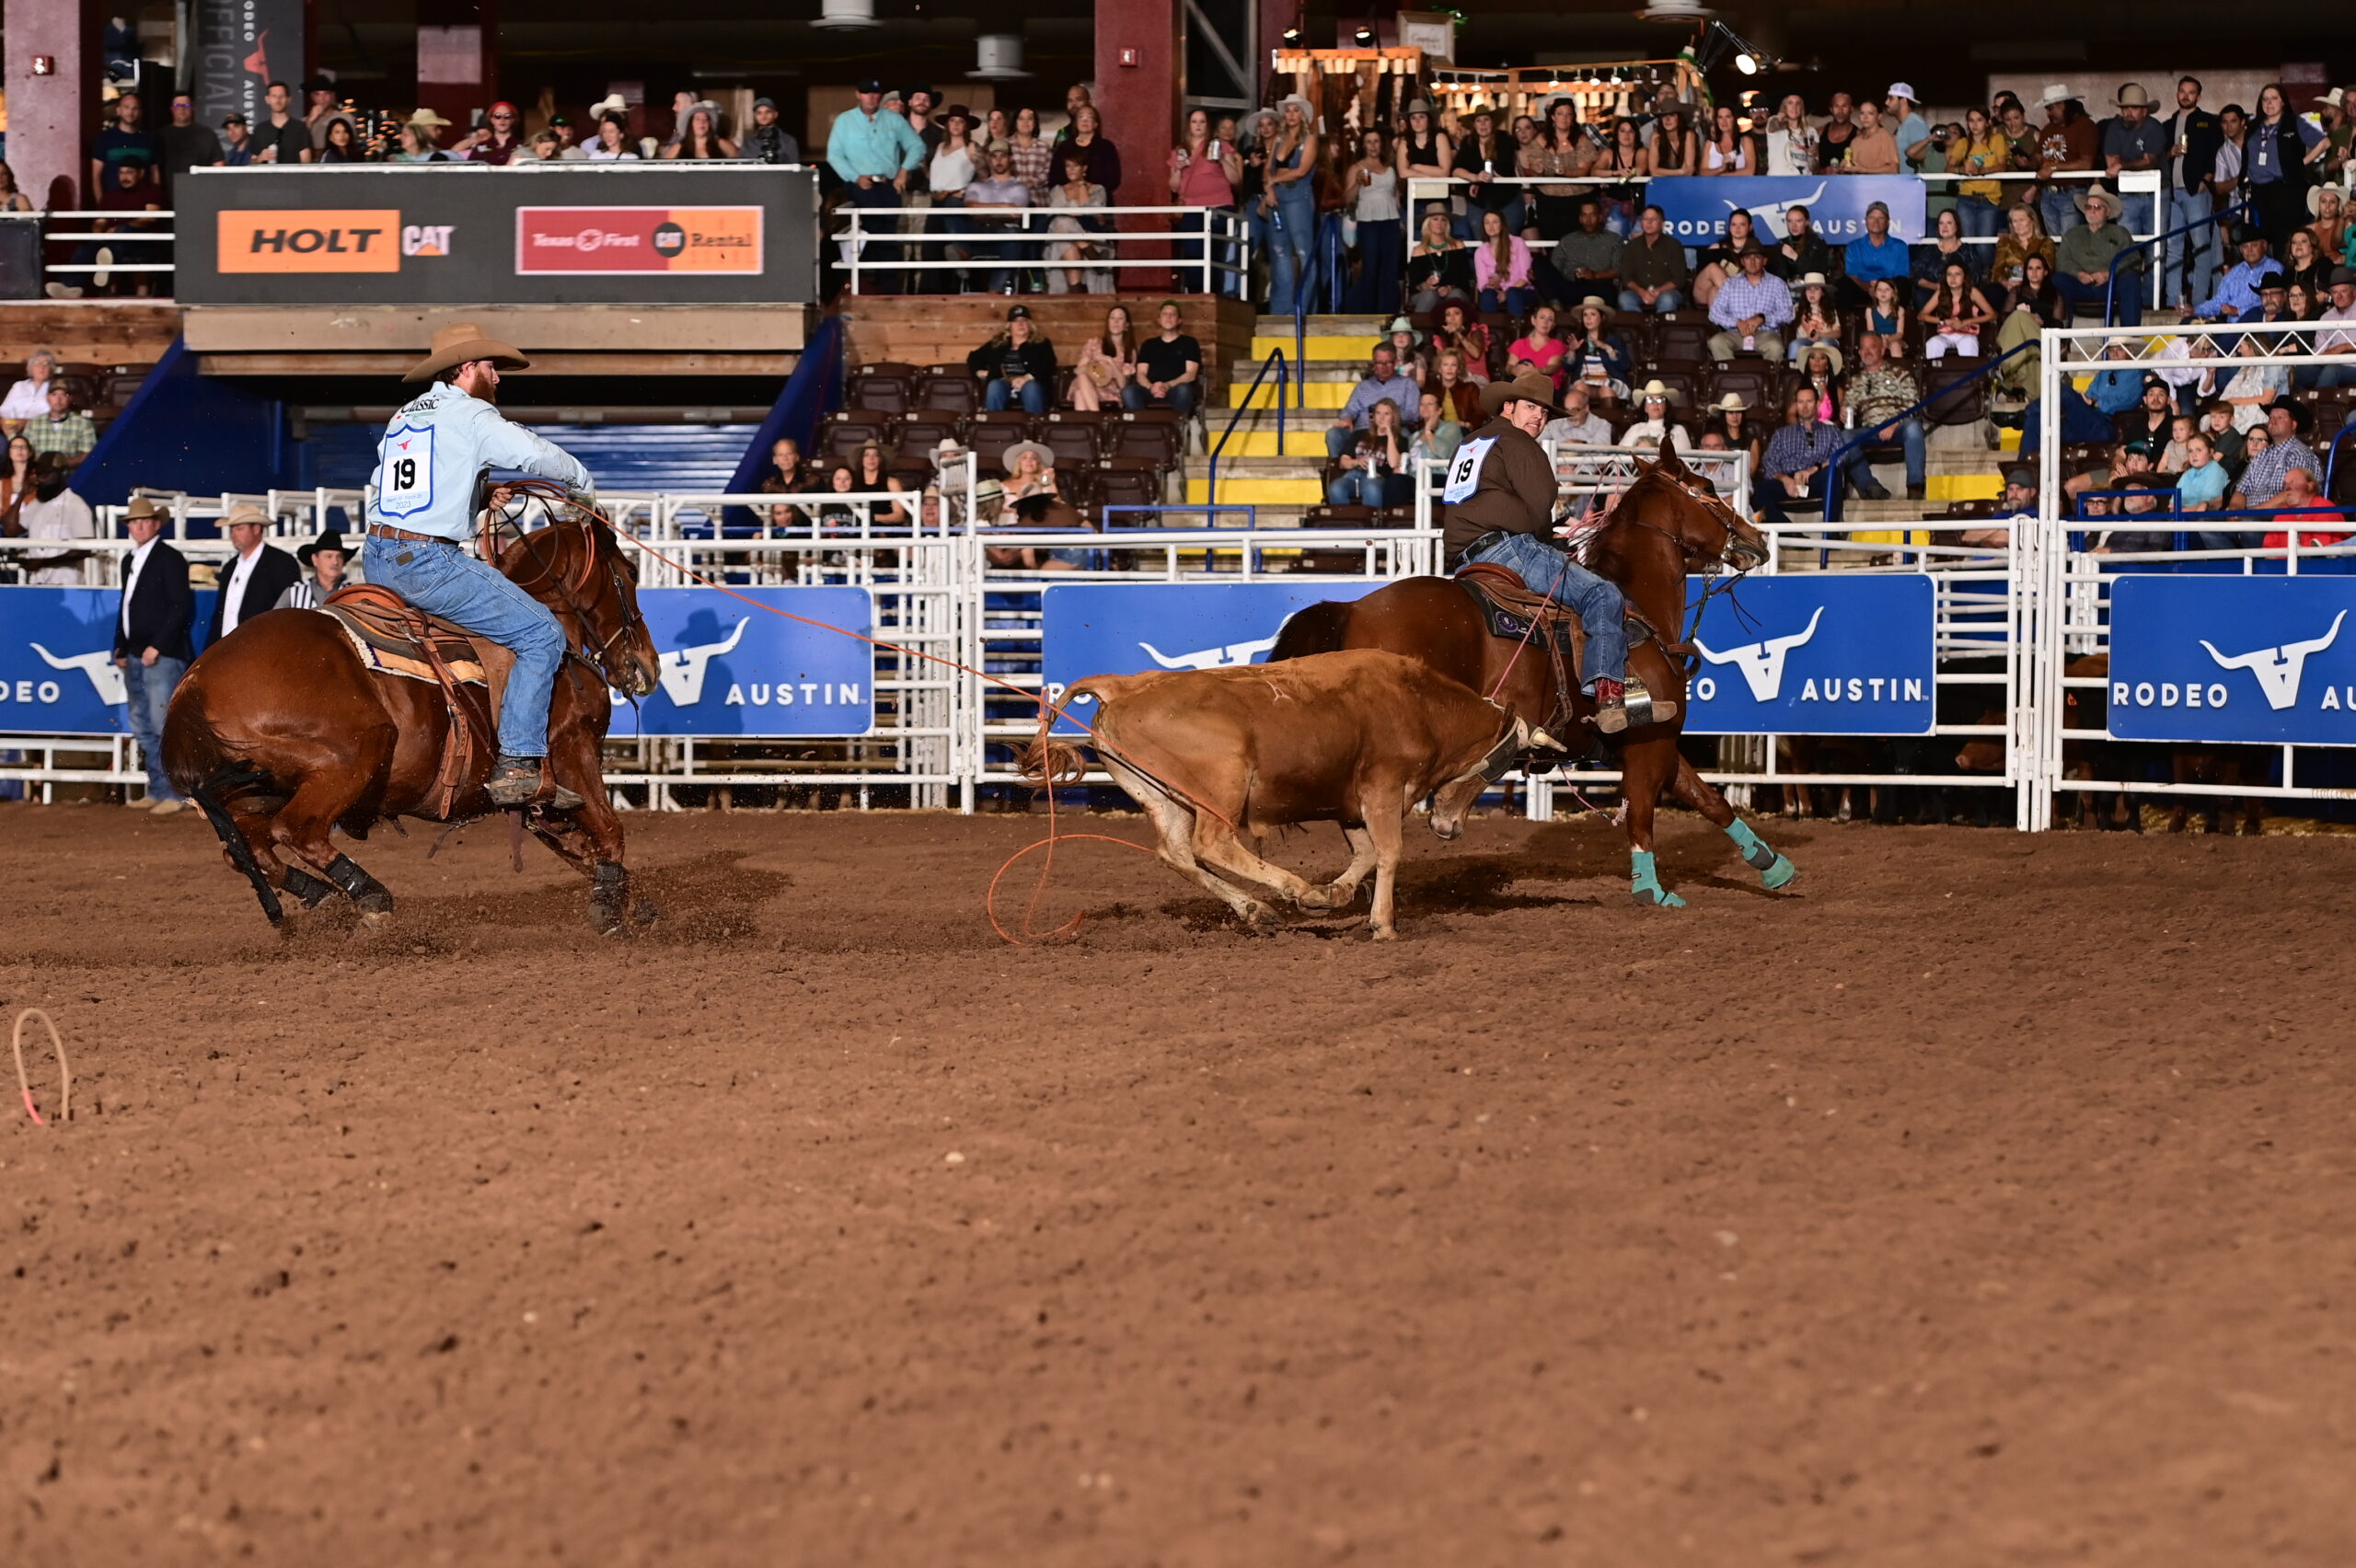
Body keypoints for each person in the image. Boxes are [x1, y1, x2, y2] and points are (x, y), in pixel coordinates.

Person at [360, 322, 599, 807]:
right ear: (468, 369)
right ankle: (518, 762)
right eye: (491, 366)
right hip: (427, 562)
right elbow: (536, 455)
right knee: (542, 635)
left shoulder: (404, 417)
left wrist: (479, 494)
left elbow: (405, 487)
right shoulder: (472, 416)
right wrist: (582, 485)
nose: (498, 377)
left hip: (378, 559)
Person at [1442, 370, 1659, 732]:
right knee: (1602, 593)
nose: (1539, 418)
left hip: (1464, 557)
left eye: (1544, 412)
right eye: (1531, 407)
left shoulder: (1470, 443)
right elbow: (1540, 505)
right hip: (1507, 549)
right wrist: (1547, 537)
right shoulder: (1520, 444)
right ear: (1508, 406)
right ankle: (1608, 694)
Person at [110, 496, 193, 813]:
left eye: (144, 521)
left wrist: (157, 644)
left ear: (155, 524)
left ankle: (173, 792)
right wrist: (120, 644)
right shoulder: (130, 560)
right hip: (137, 651)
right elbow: (126, 605)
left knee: (160, 724)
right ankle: (159, 788)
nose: (139, 526)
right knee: (143, 724)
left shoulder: (169, 558)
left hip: (160, 653)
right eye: (134, 521)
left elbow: (179, 606)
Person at [829, 78, 928, 295]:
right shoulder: (845, 121)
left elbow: (916, 146)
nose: (871, 97)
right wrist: (855, 177)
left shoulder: (894, 120)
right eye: (866, 93)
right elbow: (834, 155)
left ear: (881, 96)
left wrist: (904, 171)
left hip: (888, 184)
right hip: (860, 185)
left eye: (875, 93)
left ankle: (884, 287)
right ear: (858, 95)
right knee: (872, 230)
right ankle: (864, 282)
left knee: (888, 235)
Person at [2161, 78, 2224, 311]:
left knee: (2201, 245)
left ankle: (2199, 301)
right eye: (2183, 92)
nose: (2186, 96)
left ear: (2199, 96)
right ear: (2177, 94)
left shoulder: (2208, 122)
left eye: (2191, 92)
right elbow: (2159, 156)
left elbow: (2215, 154)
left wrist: (2206, 180)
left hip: (2196, 190)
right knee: (2173, 245)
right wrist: (2170, 151)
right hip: (2172, 191)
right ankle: (2172, 300)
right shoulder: (2167, 125)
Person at [206, 502, 302, 645]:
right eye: (232, 529)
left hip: (264, 648)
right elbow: (221, 613)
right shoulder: (230, 567)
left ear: (257, 529)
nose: (233, 534)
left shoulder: (280, 563)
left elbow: (289, 611)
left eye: (239, 529)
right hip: (227, 649)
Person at [1845, 333, 1926, 500]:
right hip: (1870, 430)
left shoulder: (1899, 374)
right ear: (1859, 353)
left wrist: (1894, 423)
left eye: (1872, 347)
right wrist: (1844, 411)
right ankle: (1870, 486)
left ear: (1882, 350)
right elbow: (1849, 407)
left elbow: (1913, 403)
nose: (1867, 351)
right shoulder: (1855, 381)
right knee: (1844, 437)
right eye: (1863, 348)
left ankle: (1915, 485)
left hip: (1898, 427)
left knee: (1913, 427)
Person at [1171, 108, 1242, 295]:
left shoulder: (1218, 145)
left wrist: (1222, 161)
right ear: (1188, 125)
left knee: (1214, 254)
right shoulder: (1180, 150)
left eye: (1202, 122)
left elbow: (1235, 179)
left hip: (1219, 205)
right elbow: (1173, 186)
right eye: (1194, 121)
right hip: (1191, 208)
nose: (1198, 126)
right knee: (1193, 252)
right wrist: (1178, 169)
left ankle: (1214, 296)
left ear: (1208, 125)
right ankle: (1196, 293)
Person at [2247, 84, 2326, 256]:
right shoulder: (2254, 126)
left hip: (2285, 190)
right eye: (2265, 99)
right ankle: (2266, 280)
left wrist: (2302, 162)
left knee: (2283, 241)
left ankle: (2286, 279)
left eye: (2274, 98)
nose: (2269, 103)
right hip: (2258, 191)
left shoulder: (2293, 122)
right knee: (2260, 240)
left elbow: (2324, 143)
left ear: (2283, 102)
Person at [1259, 96, 1319, 315]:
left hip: (1298, 196)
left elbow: (1302, 170)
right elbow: (1268, 168)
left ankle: (1305, 307)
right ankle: (1281, 308)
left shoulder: (1309, 139)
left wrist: (1274, 180)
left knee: (1304, 251)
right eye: (1288, 110)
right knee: (1279, 252)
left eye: (1295, 110)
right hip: (1277, 197)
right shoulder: (1278, 140)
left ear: (1302, 114)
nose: (1291, 114)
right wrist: (1269, 188)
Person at [1754, 386, 1851, 520]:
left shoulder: (1831, 431)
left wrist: (1815, 468)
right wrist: (1785, 479)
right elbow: (1769, 461)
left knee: (1833, 475)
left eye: (1809, 401)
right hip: (1789, 481)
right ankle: (1795, 537)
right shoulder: (1782, 434)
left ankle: (1830, 533)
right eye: (1800, 402)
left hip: (1816, 479)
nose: (1804, 406)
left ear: (1817, 404)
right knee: (1759, 490)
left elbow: (1842, 455)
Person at [2055, 188, 2144, 326]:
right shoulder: (2071, 235)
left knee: (2131, 280)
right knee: (2058, 280)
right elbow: (2062, 260)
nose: (2092, 210)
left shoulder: (2120, 233)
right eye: (2088, 207)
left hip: (2110, 284)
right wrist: (2078, 274)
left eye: (2097, 207)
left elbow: (2133, 260)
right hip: (2080, 285)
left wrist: (2109, 274)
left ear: (2107, 212)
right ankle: (2061, 339)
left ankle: (2128, 340)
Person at [959, 143, 1032, 296]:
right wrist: (1004, 206)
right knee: (952, 209)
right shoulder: (977, 186)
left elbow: (1016, 212)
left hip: (1004, 236)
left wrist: (984, 209)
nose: (998, 160)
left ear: (1010, 158)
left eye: (1002, 156)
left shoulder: (1019, 187)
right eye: (994, 156)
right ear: (989, 159)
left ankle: (993, 291)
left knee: (1014, 235)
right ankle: (961, 251)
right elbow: (970, 208)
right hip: (978, 233)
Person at [1344, 129, 1404, 313]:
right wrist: (1357, 183)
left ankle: (1389, 312)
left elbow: (1395, 195)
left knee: (1391, 270)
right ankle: (1367, 311)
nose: (1373, 145)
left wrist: (1400, 218)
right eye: (1369, 142)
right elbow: (1347, 198)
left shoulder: (1390, 167)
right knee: (1370, 268)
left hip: (1391, 220)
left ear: (1381, 144)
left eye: (1376, 141)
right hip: (1368, 221)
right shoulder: (1356, 168)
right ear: (1363, 145)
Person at [7, 458, 95, 584]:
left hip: (68, 584)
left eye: (45, 474)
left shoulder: (76, 504)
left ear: (62, 474)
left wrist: (43, 562)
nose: (39, 478)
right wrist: (22, 494)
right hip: (37, 582)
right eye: (38, 474)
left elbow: (84, 549)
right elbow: (11, 530)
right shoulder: (35, 505)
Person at [1326, 343, 1420, 458]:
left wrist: (1389, 417)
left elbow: (1413, 414)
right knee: (1334, 434)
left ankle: (1398, 472)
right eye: (1379, 363)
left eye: (1388, 362)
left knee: (1406, 437)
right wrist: (1347, 418)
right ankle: (1339, 467)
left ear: (1395, 362)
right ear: (1374, 364)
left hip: (1394, 431)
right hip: (1363, 431)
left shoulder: (1407, 384)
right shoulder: (1364, 387)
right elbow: (1350, 409)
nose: (1384, 367)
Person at [2031, 86, 2098, 238]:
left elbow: (2086, 164)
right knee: (2055, 243)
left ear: (2062, 105)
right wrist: (2029, 161)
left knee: (2070, 242)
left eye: (2050, 108)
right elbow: (2037, 157)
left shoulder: (2085, 126)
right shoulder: (2048, 129)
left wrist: (2054, 167)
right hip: (2048, 193)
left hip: (2072, 192)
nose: (2048, 113)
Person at [1043, 149, 1112, 295]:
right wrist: (1077, 213)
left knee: (1065, 229)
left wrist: (1081, 185)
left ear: (1084, 168)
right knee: (1063, 226)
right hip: (1063, 237)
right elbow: (1055, 212)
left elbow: (1090, 211)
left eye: (1075, 166)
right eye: (1068, 166)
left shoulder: (1098, 189)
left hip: (1091, 235)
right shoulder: (1058, 190)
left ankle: (1076, 291)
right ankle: (1088, 251)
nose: (1071, 169)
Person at [2230, 398, 2320, 509]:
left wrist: (2254, 512)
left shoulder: (2300, 454)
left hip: (2281, 517)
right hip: (2251, 517)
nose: (2272, 421)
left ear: (2293, 425)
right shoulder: (2262, 455)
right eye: (2271, 417)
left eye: (2280, 417)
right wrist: (2234, 510)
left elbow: (2292, 494)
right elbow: (2241, 490)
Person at [1706, 248, 1793, 363]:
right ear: (1742, 262)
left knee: (1775, 347)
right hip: (1735, 333)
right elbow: (1715, 313)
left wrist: (1763, 319)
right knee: (1716, 342)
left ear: (1764, 261)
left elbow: (1788, 314)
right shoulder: (1730, 284)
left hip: (1766, 334)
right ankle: (1730, 378)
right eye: (1748, 258)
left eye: (1757, 257)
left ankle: (1768, 380)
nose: (1752, 262)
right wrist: (1736, 322)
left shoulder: (1777, 284)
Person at [966, 304, 1057, 414]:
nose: (1020, 324)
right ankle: (993, 426)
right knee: (995, 386)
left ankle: (1035, 427)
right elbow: (974, 357)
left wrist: (1027, 378)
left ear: (1030, 324)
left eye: (1024, 320)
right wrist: (980, 371)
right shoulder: (998, 344)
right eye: (1016, 321)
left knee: (1031, 388)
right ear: (1009, 325)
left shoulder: (1042, 343)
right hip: (1005, 383)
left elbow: (1049, 364)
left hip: (1030, 384)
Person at [1328, 398, 1412, 508]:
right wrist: (1358, 461)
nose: (1381, 417)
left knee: (1372, 488)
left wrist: (1390, 435)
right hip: (1353, 475)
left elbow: (1393, 464)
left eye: (1386, 414)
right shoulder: (1359, 434)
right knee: (1336, 488)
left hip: (1377, 477)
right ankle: (1347, 522)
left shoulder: (1401, 440)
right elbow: (1343, 462)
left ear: (1393, 418)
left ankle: (1373, 523)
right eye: (1378, 413)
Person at [1545, 197, 1624, 308]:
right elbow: (1554, 268)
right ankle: (1555, 304)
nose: (1588, 220)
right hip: (1572, 287)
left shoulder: (1614, 240)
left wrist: (1595, 275)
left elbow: (1619, 270)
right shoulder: (1568, 240)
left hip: (1599, 286)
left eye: (1592, 215)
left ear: (1600, 217)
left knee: (1607, 290)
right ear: (1580, 218)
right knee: (1539, 262)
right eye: (1584, 215)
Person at [1949, 107, 2014, 240]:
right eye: (1971, 120)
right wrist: (1961, 170)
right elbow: (1948, 168)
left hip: (1989, 199)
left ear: (1987, 122)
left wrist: (1983, 170)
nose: (1975, 124)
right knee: (1967, 242)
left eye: (1979, 120)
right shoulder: (1962, 143)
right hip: (1966, 198)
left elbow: (2003, 166)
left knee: (1985, 246)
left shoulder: (1997, 139)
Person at [2192, 227, 2283, 321]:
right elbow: (2218, 301)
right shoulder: (2234, 272)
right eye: (2245, 246)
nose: (2249, 250)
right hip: (2232, 328)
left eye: (2254, 245)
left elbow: (2273, 302)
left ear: (2264, 245)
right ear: (2240, 249)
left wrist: (2239, 311)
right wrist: (2194, 311)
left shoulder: (2274, 268)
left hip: (2258, 327)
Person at [1127, 300, 1201, 416]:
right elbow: (1141, 373)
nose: (1169, 317)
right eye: (1165, 314)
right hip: (1150, 390)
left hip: (1175, 390)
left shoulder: (1189, 343)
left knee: (1184, 390)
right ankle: (1143, 426)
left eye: (1173, 314)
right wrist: (1151, 387)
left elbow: (1191, 374)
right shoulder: (1149, 344)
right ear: (1159, 320)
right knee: (1128, 391)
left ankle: (1176, 429)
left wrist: (1168, 385)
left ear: (1179, 320)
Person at [1839, 201, 1911, 311]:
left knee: (1904, 284)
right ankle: (1846, 324)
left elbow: (1901, 275)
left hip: (1890, 290)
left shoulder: (1900, 246)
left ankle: (1897, 321)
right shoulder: (1854, 246)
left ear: (1887, 222)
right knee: (1844, 284)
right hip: (1864, 289)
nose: (1876, 221)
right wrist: (1869, 288)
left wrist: (1881, 289)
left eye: (1881, 218)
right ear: (1866, 221)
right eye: (1872, 217)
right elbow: (1852, 274)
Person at [1617, 204, 1689, 314]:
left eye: (1653, 219)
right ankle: (1639, 329)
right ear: (1641, 222)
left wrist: (1658, 291)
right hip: (1638, 292)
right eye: (1645, 219)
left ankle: (1662, 330)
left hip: (1666, 292)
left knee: (1667, 300)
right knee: (1624, 299)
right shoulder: (1632, 246)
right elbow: (1626, 277)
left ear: (1662, 224)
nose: (1649, 223)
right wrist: (1641, 292)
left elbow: (1679, 279)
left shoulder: (1674, 245)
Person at [90, 89, 159, 202]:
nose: (130, 112)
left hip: (143, 206)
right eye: (126, 107)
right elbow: (96, 175)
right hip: (113, 206)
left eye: (135, 108)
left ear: (140, 112)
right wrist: (101, 207)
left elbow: (155, 172)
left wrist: (156, 202)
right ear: (118, 110)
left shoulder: (150, 140)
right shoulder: (105, 139)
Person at [1923, 260, 1995, 360]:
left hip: (1967, 333)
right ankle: (1934, 374)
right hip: (1945, 334)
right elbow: (1922, 315)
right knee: (1933, 343)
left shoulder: (1973, 292)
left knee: (1968, 342)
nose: (1953, 278)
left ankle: (1970, 375)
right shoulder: (1941, 293)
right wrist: (1944, 321)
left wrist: (1966, 322)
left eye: (1957, 274)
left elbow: (1992, 315)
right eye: (1949, 274)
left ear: (1964, 278)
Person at [1562, 298, 1633, 402]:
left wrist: (1607, 348)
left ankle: (1610, 417)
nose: (1588, 318)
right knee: (1579, 389)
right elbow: (1568, 368)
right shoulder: (1578, 339)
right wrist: (1572, 351)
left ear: (1602, 317)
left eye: (1593, 314)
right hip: (1586, 380)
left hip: (1609, 381)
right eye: (1585, 315)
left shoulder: (1613, 339)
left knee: (1606, 390)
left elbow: (1625, 366)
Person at [1072, 305, 1137, 414]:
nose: (1115, 322)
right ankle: (1097, 418)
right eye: (1112, 318)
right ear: (1108, 322)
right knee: (1082, 378)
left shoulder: (1130, 351)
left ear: (1126, 325)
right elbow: (1078, 370)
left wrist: (1110, 361)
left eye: (1120, 318)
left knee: (1080, 394)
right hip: (1090, 383)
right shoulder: (1095, 343)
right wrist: (1093, 366)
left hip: (1110, 391)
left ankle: (1092, 425)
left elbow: (1123, 385)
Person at [1472, 209, 1536, 316]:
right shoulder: (1480, 252)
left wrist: (1506, 293)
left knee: (1513, 294)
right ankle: (1490, 330)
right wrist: (1493, 285)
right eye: (1487, 222)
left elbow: (1525, 276)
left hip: (1521, 290)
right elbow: (1482, 283)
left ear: (1502, 225)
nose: (1490, 226)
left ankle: (1516, 330)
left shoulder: (1518, 243)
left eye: (1495, 222)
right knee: (1488, 294)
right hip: (1496, 292)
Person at [277, 527, 355, 609]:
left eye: (339, 556)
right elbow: (274, 621)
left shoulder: (353, 593)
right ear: (315, 559)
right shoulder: (293, 592)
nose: (335, 562)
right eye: (329, 556)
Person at [157, 93, 223, 190]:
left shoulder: (206, 134)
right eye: (177, 105)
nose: (182, 109)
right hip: (168, 192)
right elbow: (154, 169)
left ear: (193, 108)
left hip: (201, 192)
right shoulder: (160, 136)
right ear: (172, 109)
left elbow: (218, 165)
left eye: (186, 105)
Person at [23, 383, 97, 467]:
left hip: (69, 474)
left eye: (63, 395)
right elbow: (25, 449)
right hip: (39, 473)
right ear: (47, 398)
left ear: (70, 399)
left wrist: (65, 462)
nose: (58, 400)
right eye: (54, 395)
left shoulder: (83, 423)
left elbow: (89, 453)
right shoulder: (34, 422)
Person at [1990, 201, 2055, 294]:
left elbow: (2048, 268)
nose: (2018, 224)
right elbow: (1997, 270)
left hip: (2037, 285)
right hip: (2010, 285)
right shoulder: (2005, 242)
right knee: (1993, 291)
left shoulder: (2046, 242)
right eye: (2014, 221)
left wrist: (2024, 282)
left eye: (2022, 220)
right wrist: (2006, 283)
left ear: (2032, 221)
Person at [1507, 305, 1569, 395]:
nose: (1545, 322)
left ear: (1553, 324)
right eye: (1542, 317)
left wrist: (1536, 371)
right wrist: (1517, 371)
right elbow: (1509, 366)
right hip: (1521, 385)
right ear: (1533, 320)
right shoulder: (1520, 343)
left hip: (1547, 389)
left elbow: (1553, 367)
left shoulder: (1557, 345)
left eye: (1550, 319)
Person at [1620, 380, 1692, 454]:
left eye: (1660, 400)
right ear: (1645, 407)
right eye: (1650, 400)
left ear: (1666, 405)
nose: (1655, 404)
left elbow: (1684, 461)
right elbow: (1620, 457)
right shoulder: (1636, 429)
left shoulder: (1678, 431)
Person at [2, 349, 61, 436]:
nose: (42, 367)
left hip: (38, 431)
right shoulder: (19, 386)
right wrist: (3, 424)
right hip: (11, 428)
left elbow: (54, 416)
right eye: (37, 363)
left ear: (51, 369)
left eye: (46, 364)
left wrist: (25, 422)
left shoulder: (55, 388)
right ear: (31, 367)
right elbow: (3, 410)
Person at [1540, 384, 1612, 448]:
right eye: (1567, 410)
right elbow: (1536, 442)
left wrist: (1580, 445)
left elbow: (1602, 453)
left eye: (1575, 410)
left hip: (1589, 463)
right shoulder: (1555, 424)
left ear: (1586, 408)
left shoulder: (1602, 425)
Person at [1763, 94, 1818, 178]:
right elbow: (1773, 126)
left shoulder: (1811, 131)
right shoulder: (1775, 124)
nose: (1794, 106)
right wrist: (1780, 119)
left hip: (1803, 179)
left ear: (1801, 108)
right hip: (1780, 180)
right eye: (1790, 103)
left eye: (1798, 103)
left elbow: (1815, 168)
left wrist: (1811, 155)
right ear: (1784, 107)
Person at [1410, 390, 1464, 471]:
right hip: (1416, 477)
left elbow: (1443, 453)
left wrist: (1429, 431)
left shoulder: (1451, 427)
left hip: (1439, 477)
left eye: (1430, 404)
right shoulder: (1414, 436)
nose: (1425, 407)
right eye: (1422, 404)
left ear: (1439, 410)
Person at [458, 100, 527, 165]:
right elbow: (471, 171)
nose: (502, 120)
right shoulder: (480, 147)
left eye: (507, 116)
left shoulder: (523, 146)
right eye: (497, 116)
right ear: (492, 120)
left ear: (513, 120)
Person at [1842, 101, 1900, 175]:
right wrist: (1845, 167)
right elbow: (1853, 168)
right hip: (1859, 184)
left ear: (1879, 116)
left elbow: (1894, 169)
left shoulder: (1885, 137)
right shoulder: (1855, 141)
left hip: (1879, 185)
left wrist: (1864, 170)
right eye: (1862, 113)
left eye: (1870, 113)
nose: (1865, 117)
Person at [1700, 103, 1753, 177]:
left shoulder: (1745, 141)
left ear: (1734, 119)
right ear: (1716, 120)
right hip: (1714, 187)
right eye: (1720, 117)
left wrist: (1723, 175)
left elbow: (1750, 171)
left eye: (1728, 117)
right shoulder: (1709, 144)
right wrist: (1721, 169)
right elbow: (1703, 172)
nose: (1724, 121)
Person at [743, 98, 799, 165]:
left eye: (768, 112)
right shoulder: (748, 143)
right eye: (759, 113)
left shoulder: (788, 141)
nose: (763, 116)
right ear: (755, 116)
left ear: (775, 114)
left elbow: (794, 168)